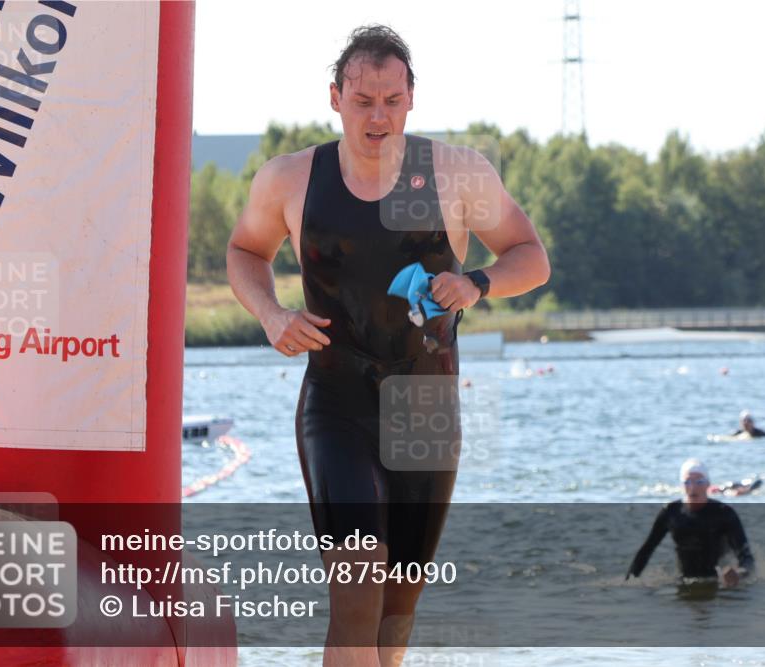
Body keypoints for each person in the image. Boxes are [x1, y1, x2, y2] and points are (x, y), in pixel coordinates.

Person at [225, 24, 550, 667]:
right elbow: (244, 250)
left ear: (411, 100)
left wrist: (478, 282)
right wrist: (270, 313)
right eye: (363, 100)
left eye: (392, 101)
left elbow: (531, 256)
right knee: (355, 596)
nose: (378, 116)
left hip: (424, 407)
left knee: (395, 619)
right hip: (336, 400)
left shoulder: (457, 173)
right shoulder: (290, 178)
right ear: (335, 98)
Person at [626, 459, 755, 588]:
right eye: (687, 482)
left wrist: (738, 574)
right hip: (684, 582)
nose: (693, 487)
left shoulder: (724, 513)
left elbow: (746, 557)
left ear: (708, 485)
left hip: (720, 584)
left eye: (699, 482)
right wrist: (629, 583)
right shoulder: (671, 512)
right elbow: (646, 549)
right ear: (681, 486)